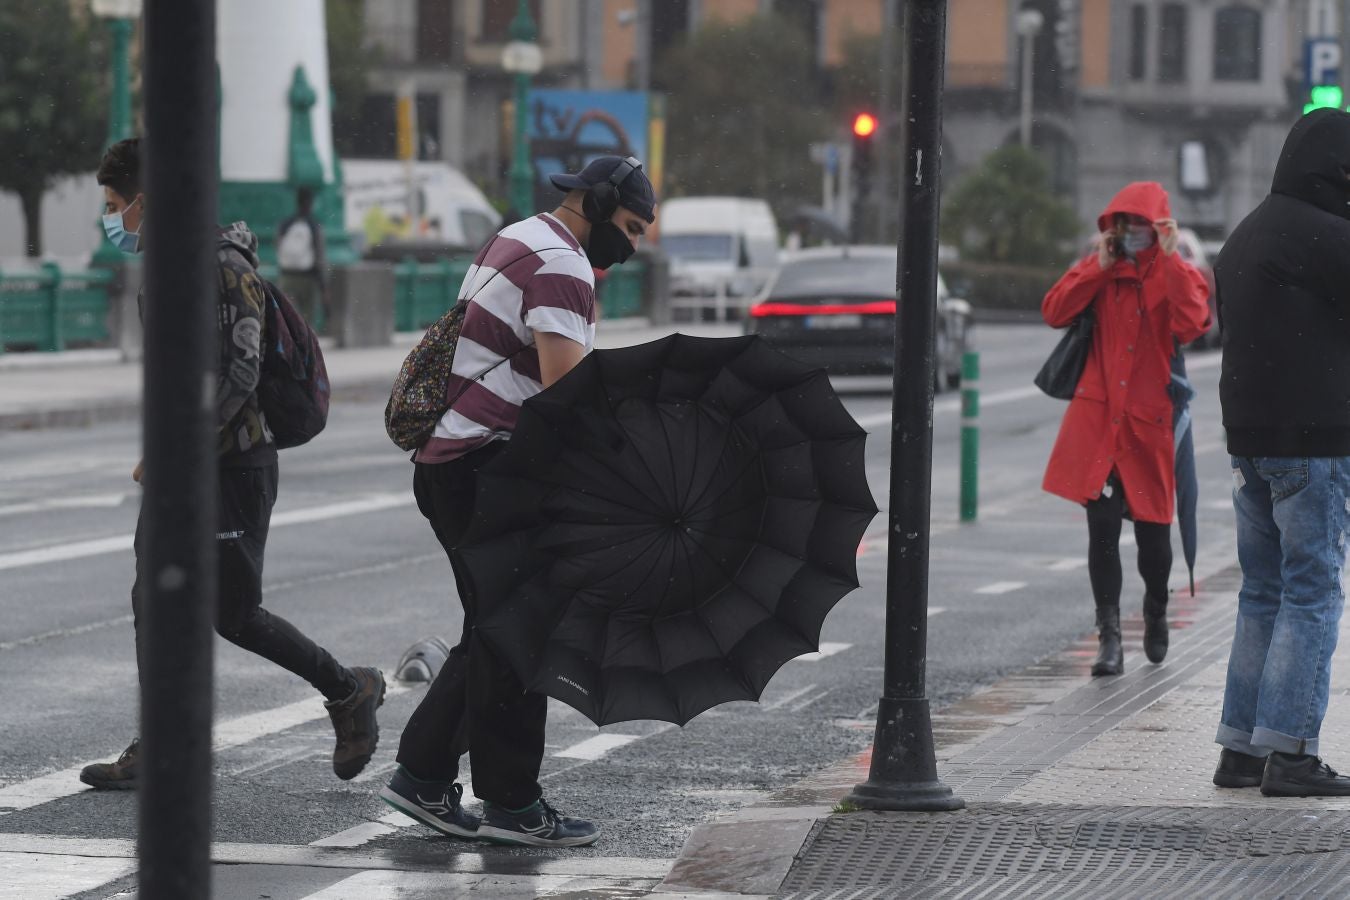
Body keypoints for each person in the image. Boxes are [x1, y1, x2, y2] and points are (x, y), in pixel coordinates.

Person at [80, 139, 384, 791]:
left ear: (146, 200)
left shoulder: (223, 266)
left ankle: (349, 689)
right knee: (151, 597)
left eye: (114, 206)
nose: (111, 220)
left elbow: (240, 372)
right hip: (185, 466)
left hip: (235, 465)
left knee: (233, 614)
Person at [379, 156, 655, 847]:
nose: (631, 245)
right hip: (486, 466)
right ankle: (511, 804)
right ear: (593, 204)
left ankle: (425, 776)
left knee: (501, 629)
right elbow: (566, 392)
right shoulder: (562, 265)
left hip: (457, 463)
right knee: (522, 634)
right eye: (627, 227)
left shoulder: (522, 235)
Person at [1212, 108, 1350, 797]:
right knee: (1312, 590)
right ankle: (1292, 753)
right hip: (1315, 442)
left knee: (1262, 591)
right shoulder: (1330, 236)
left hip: (1250, 441)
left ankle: (1241, 749)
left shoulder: (1246, 234)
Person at [1040, 182, 1210, 678]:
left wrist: (1174, 260)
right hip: (1099, 421)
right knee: (1102, 532)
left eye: (1142, 226)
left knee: (1155, 543)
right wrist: (1100, 265)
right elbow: (1055, 310)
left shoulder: (1174, 274)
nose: (1132, 234)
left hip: (1149, 423)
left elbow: (1194, 323)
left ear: (1160, 231)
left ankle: (1156, 608)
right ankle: (1109, 636)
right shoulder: (1102, 270)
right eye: (1124, 226)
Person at [275, 186, 328, 330]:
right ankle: (305, 349)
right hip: (308, 278)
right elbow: (319, 255)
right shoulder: (313, 225)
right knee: (307, 321)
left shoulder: (286, 224)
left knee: (285, 318)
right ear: (310, 203)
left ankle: (288, 348)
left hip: (287, 276)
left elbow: (277, 247)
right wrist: (323, 284)